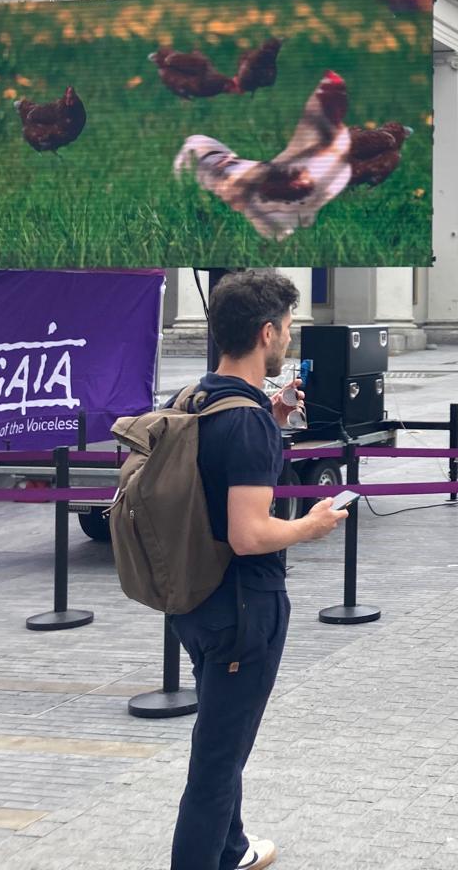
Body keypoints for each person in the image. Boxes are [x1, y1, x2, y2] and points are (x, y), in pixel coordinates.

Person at [170, 271, 347, 870]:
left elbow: (214, 476)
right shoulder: (243, 421)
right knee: (216, 763)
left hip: (193, 600)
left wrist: (268, 414)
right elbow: (249, 534)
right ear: (267, 332)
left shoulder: (196, 398)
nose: (290, 338)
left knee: (222, 738)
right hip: (243, 607)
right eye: (289, 327)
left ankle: (232, 848)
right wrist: (311, 526)